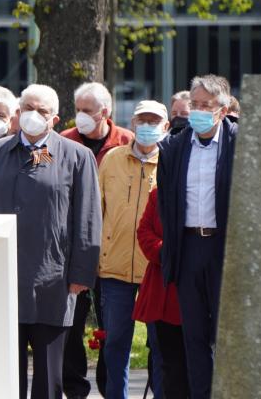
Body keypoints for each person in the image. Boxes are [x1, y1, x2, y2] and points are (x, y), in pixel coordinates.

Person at [0, 84, 102, 399]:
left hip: (52, 280)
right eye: (28, 108)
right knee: (3, 371)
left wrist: (81, 275)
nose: (33, 115)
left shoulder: (77, 156)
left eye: (42, 111)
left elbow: (88, 218)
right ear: (17, 113)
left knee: (48, 376)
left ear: (55, 119)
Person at [158, 75, 237, 399]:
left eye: (207, 105)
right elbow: (166, 202)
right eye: (195, 104)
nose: (199, 111)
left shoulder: (241, 142)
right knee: (194, 336)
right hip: (189, 247)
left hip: (226, 250)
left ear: (223, 109)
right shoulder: (174, 146)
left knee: (228, 334)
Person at [60, 82, 134, 398]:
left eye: (87, 111)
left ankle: (108, 384)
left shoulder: (126, 142)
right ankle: (75, 388)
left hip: (111, 252)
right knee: (71, 324)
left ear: (105, 112)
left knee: (111, 327)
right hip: (70, 250)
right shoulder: (62, 142)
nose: (81, 117)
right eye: (78, 109)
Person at [97, 100, 168, 399]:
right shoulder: (112, 158)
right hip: (113, 268)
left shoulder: (171, 161)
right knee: (115, 343)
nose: (147, 127)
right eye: (142, 121)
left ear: (165, 127)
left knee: (161, 346)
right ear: (133, 123)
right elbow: (96, 208)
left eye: (154, 122)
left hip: (156, 269)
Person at [133, 188, 188, 399]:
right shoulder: (159, 195)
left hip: (198, 292)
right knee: (168, 366)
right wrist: (169, 253)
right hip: (163, 293)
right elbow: (144, 232)